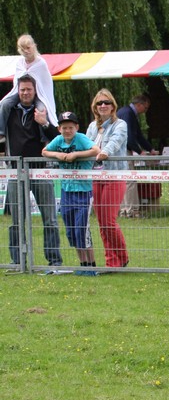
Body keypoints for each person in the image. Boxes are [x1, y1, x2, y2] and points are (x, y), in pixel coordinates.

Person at [4, 74, 62, 272]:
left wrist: (44, 123)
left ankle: (54, 261)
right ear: (17, 91)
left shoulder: (42, 110)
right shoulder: (8, 111)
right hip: (16, 171)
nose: (25, 93)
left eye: (29, 89)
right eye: (22, 89)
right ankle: (17, 262)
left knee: (50, 219)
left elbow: (57, 138)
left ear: (35, 90)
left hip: (40, 171)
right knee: (16, 221)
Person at [42, 112, 100, 275]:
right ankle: (82, 264)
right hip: (66, 191)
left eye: (70, 128)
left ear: (76, 128)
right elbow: (45, 151)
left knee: (82, 230)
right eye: (64, 128)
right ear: (59, 129)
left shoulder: (81, 139)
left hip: (83, 191)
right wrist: (58, 155)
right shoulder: (58, 140)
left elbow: (96, 150)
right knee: (71, 231)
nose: (67, 131)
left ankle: (91, 266)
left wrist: (76, 155)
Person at [85, 89, 129, 269]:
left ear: (113, 106)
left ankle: (122, 256)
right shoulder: (92, 127)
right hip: (96, 176)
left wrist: (104, 153)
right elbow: (86, 145)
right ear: (95, 107)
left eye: (106, 102)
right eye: (99, 103)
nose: (103, 105)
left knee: (109, 220)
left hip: (114, 175)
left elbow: (115, 142)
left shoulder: (120, 124)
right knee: (101, 222)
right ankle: (111, 261)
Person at [0, 35, 56, 148]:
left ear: (34, 46)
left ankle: (44, 139)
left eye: (28, 48)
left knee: (41, 109)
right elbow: (17, 81)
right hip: (20, 92)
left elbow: (46, 84)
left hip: (39, 94)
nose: (26, 51)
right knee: (4, 104)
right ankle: (1, 133)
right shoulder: (19, 63)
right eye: (23, 49)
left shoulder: (41, 63)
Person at [117, 93, 156, 218]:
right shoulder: (128, 114)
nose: (145, 111)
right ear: (139, 104)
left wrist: (150, 149)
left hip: (120, 151)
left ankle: (124, 210)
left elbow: (138, 135)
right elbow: (129, 137)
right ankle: (132, 211)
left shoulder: (128, 113)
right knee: (130, 180)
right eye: (145, 107)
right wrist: (140, 152)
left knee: (123, 180)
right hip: (123, 151)